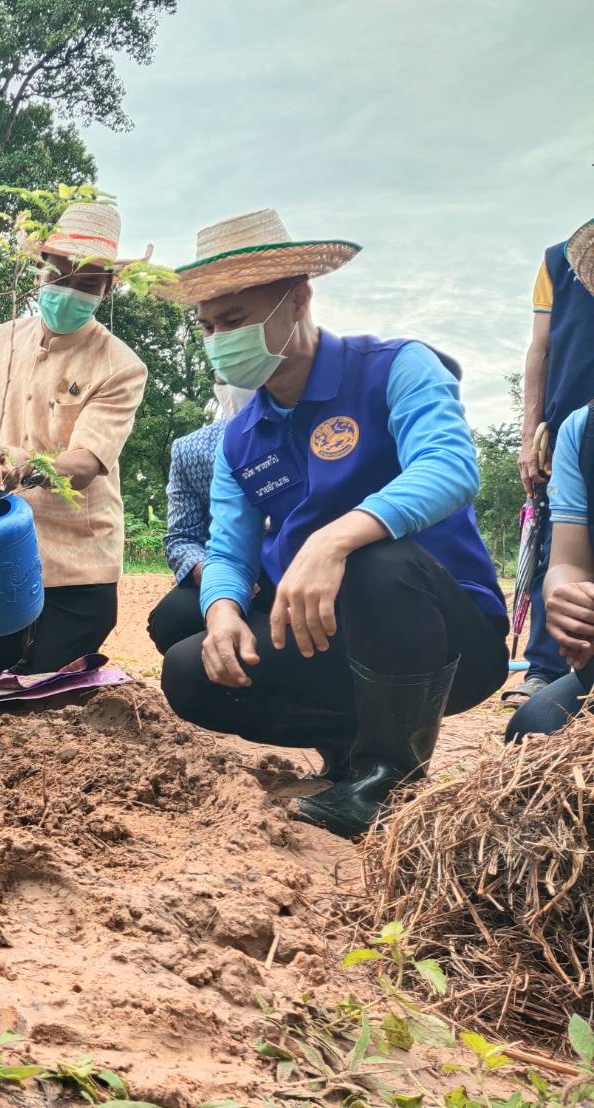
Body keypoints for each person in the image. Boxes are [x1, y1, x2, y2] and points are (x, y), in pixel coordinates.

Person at [154, 209, 508, 839]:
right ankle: (347, 739)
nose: (217, 341)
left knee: (376, 558)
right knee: (189, 664)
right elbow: (228, 549)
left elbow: (451, 467)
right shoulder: (240, 438)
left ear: (297, 299)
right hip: (328, 634)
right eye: (207, 327)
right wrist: (222, 614)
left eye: (234, 321)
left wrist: (334, 537)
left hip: (445, 637)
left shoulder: (395, 366)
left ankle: (388, 772)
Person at [0, 200, 148, 677]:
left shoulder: (120, 366)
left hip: (78, 565)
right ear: (39, 274)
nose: (67, 292)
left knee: (48, 681)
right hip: (3, 547)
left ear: (107, 287)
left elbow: (84, 464)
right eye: (56, 276)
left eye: (85, 284)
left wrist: (24, 466)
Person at [508, 222, 594, 741]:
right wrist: (530, 434)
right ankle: (546, 663)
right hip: (568, 426)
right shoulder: (555, 263)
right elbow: (539, 351)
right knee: (555, 550)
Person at [146, 380, 255, 654]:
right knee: (170, 619)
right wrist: (210, 575)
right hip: (225, 565)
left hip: (291, 567)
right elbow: (182, 537)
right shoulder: (191, 449)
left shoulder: (307, 431)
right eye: (223, 376)